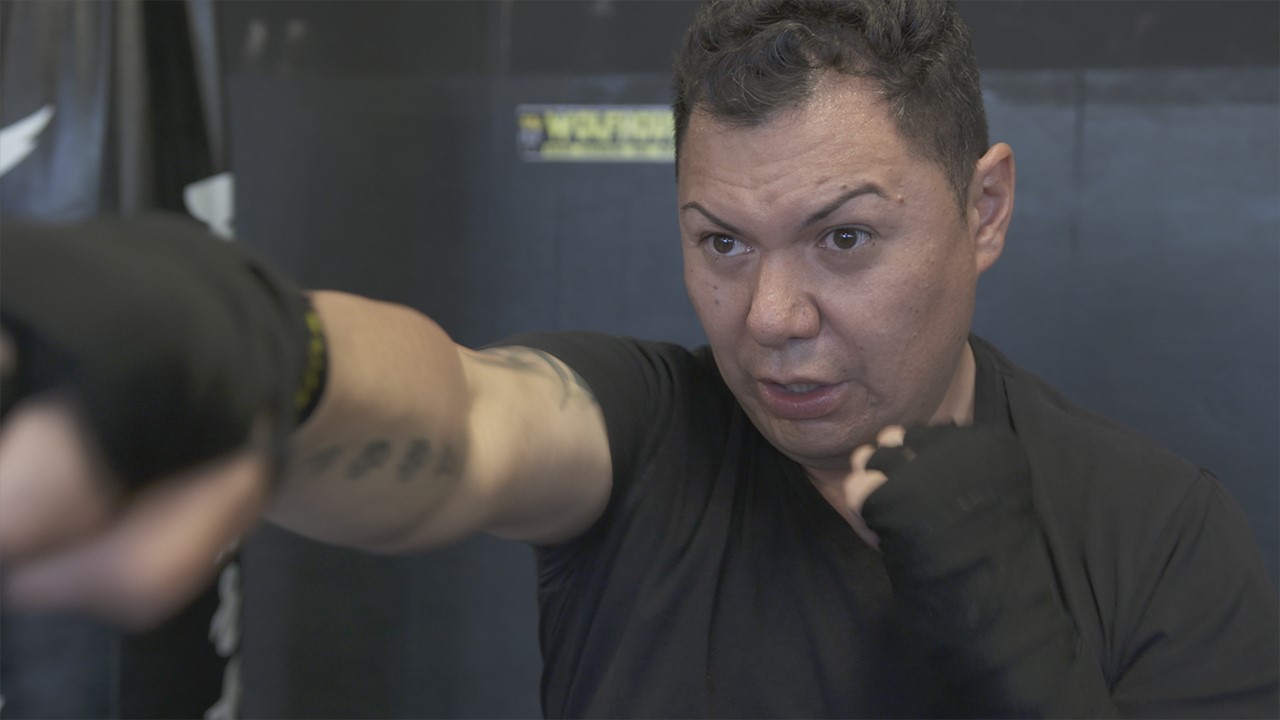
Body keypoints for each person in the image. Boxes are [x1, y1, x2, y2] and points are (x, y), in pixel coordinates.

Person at [1, 0, 1276, 716]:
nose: (769, 315)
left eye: (843, 238)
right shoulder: (652, 439)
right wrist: (263, 347)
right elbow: (463, 418)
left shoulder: (1154, 533)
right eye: (721, 242)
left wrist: (1027, 669)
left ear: (981, 208)